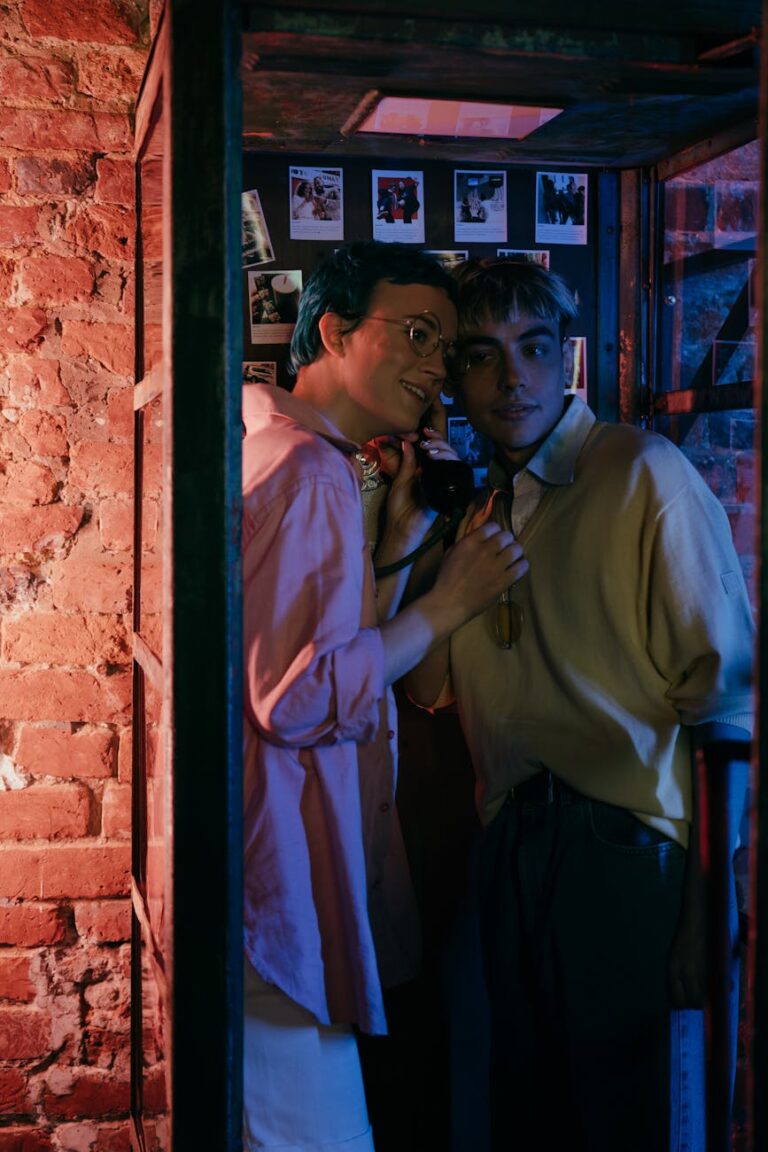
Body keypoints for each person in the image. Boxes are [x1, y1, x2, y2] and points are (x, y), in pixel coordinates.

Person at [406, 257, 754, 1152]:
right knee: (528, 1121)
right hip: (508, 843)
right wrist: (425, 518)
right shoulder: (478, 507)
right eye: (481, 356)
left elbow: (728, 709)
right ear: (454, 379)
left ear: (565, 357)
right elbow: (425, 686)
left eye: (532, 349)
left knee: (632, 1122)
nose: (510, 379)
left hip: (625, 848)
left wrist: (706, 912)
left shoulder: (641, 471)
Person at [242, 241, 527, 1151]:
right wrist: (451, 603)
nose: (437, 366)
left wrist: (399, 547)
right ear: (333, 331)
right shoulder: (311, 472)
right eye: (416, 334)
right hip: (284, 884)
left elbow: (326, 652)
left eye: (445, 346)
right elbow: (296, 699)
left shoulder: (275, 447)